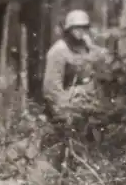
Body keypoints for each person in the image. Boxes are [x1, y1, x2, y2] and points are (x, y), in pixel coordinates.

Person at [42, 9, 110, 171]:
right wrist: (64, 113)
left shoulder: (87, 48)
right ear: (68, 30)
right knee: (67, 153)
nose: (80, 32)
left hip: (88, 106)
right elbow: (51, 88)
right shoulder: (58, 51)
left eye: (84, 28)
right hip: (66, 108)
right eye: (76, 28)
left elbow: (101, 62)